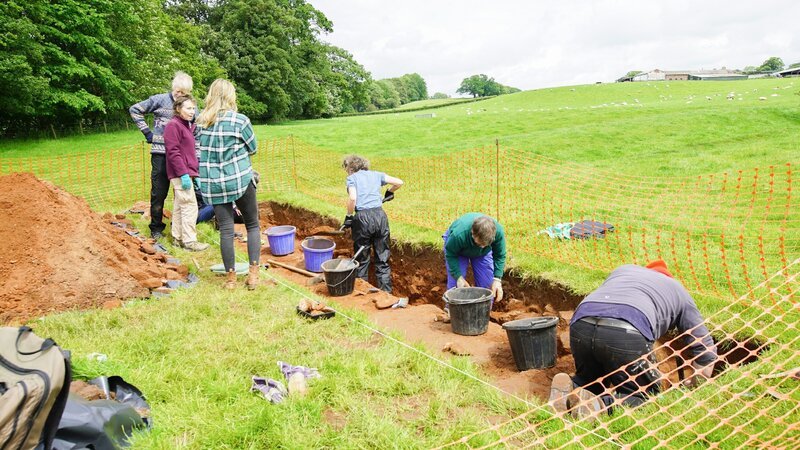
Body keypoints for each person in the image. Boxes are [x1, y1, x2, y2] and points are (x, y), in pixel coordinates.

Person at [549, 260, 718, 421]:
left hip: (582, 321)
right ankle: (599, 406)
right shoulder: (678, 290)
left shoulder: (623, 270)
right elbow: (706, 352)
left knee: (591, 381)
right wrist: (694, 390)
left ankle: (569, 389)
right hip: (627, 327)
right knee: (644, 395)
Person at [196, 79, 261, 290]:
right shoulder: (240, 121)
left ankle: (231, 280)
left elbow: (199, 153)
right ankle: (253, 276)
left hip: (214, 183)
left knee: (225, 230)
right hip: (239, 179)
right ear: (231, 96)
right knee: (252, 225)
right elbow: (253, 148)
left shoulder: (200, 123)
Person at [130, 71, 194, 239]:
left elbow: (197, 123)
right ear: (174, 88)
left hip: (180, 157)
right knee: (159, 192)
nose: (180, 95)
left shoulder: (189, 105)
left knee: (181, 193)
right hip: (161, 153)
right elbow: (135, 110)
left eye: (184, 93)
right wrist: (148, 133)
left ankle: (178, 227)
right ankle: (156, 228)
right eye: (178, 91)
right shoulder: (159, 100)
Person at [341, 155, 404, 293]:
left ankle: (362, 294)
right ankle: (386, 294)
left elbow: (352, 198)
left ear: (351, 168)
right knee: (382, 259)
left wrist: (349, 216)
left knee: (362, 259)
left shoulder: (352, 178)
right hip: (380, 217)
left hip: (363, 218)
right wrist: (389, 192)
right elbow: (399, 182)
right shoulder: (377, 175)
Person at [163, 94, 209, 252]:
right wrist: (183, 174)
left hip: (187, 172)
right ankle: (189, 241)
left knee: (179, 206)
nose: (192, 111)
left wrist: (193, 174)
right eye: (188, 108)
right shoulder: (173, 126)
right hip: (179, 173)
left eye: (193, 108)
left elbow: (187, 152)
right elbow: (173, 152)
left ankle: (177, 237)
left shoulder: (186, 125)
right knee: (190, 206)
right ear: (178, 109)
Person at [443, 213, 506, 305]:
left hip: (483, 254)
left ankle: (483, 311)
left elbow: (500, 255)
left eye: (485, 244)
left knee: (487, 286)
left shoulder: (498, 233)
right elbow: (451, 254)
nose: (481, 246)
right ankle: (451, 310)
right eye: (479, 244)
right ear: (473, 233)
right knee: (456, 287)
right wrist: (458, 277)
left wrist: (497, 280)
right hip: (458, 252)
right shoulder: (458, 235)